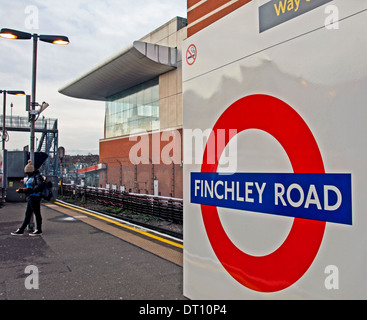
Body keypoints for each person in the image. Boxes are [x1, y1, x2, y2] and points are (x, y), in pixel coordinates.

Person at [11, 160, 44, 236]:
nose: (26, 173)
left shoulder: (37, 176)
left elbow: (39, 186)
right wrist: (23, 190)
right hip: (31, 197)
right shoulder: (31, 177)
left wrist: (28, 190)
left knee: (36, 213)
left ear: (30, 171)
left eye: (27, 172)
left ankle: (38, 229)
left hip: (35, 197)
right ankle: (21, 229)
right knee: (28, 214)